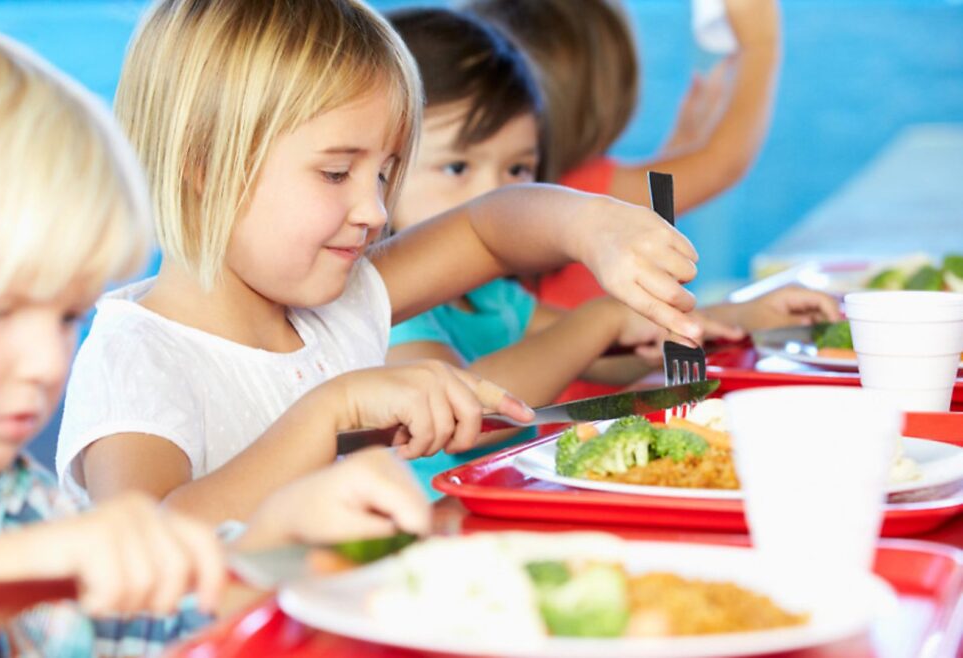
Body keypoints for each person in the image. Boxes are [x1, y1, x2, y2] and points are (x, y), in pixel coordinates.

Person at [0, 13, 429, 657]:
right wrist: (18, 569)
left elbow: (135, 632)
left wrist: (274, 547)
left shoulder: (8, 492)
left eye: (67, 317)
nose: (48, 363)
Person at [56, 0, 705, 523]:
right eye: (337, 172)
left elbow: (488, 230)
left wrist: (591, 225)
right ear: (204, 166)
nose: (372, 208)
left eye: (386, 172)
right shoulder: (137, 358)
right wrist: (330, 411)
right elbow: (149, 544)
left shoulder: (334, 306)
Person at [383, 7, 837, 493]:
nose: (496, 193)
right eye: (457, 168)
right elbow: (475, 413)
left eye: (517, 170)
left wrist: (738, 317)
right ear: (381, 168)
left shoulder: (493, 297)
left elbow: (605, 356)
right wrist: (601, 319)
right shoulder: (388, 310)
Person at [466, 0, 782, 310]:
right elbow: (722, 164)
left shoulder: (512, 194)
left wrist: (683, 142)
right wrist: (759, 46)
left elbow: (651, 206)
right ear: (606, 95)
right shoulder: (583, 192)